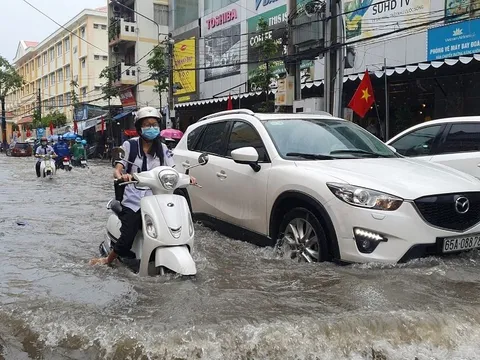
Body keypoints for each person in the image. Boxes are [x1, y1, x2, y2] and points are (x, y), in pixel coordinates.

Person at [90, 106, 196, 268]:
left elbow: (172, 170)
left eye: (154, 124)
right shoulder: (129, 146)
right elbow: (117, 169)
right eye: (147, 124)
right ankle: (108, 259)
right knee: (129, 230)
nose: (152, 128)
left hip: (158, 197)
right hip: (134, 199)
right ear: (139, 127)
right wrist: (122, 175)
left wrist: (187, 178)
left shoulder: (163, 149)